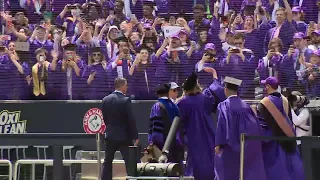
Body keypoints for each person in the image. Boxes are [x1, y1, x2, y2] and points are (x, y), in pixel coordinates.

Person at [214, 76, 266, 180]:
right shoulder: (246, 105)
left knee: (228, 171)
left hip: (230, 146)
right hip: (246, 145)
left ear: (225, 89)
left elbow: (222, 125)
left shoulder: (223, 105)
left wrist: (218, 144)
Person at [257, 77, 305, 180]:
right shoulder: (285, 99)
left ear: (268, 86)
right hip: (288, 141)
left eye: (265, 85)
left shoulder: (264, 103)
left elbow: (262, 126)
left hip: (273, 144)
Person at [177, 72, 216, 179]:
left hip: (193, 138)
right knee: (210, 163)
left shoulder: (182, 103)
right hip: (209, 136)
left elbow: (179, 124)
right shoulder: (205, 98)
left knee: (194, 166)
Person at [101, 77, 139, 180]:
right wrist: (135, 136)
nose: (127, 87)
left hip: (110, 135)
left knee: (107, 161)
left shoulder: (105, 99)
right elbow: (130, 119)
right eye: (126, 85)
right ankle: (132, 178)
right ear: (122, 86)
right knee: (129, 162)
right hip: (124, 137)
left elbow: (105, 118)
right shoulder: (126, 100)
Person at [148, 83, 184, 172]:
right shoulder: (175, 106)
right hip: (175, 144)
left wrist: (153, 143)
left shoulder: (157, 106)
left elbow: (156, 128)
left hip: (163, 145)